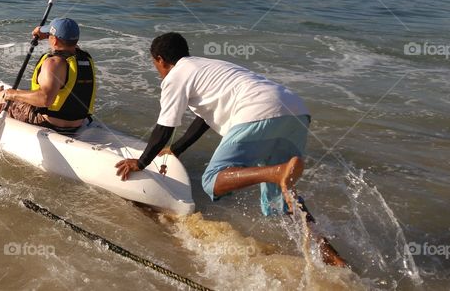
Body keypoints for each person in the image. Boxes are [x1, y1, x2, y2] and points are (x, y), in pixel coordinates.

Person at [114, 32, 347, 267]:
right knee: (282, 197)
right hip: (295, 110)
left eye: (155, 64)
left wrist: (140, 162)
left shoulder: (176, 76)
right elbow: (204, 119)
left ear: (160, 59)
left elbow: (165, 127)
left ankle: (276, 172)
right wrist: (176, 149)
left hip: (258, 110)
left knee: (211, 180)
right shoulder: (207, 67)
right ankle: (328, 252)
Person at [0, 18, 96, 135]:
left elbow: (45, 99)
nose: (48, 38)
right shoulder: (84, 58)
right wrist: (46, 34)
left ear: (55, 41)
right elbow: (67, 42)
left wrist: (12, 94)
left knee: (4, 96)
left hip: (47, 122)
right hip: (76, 123)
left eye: (49, 35)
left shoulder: (53, 63)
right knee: (18, 94)